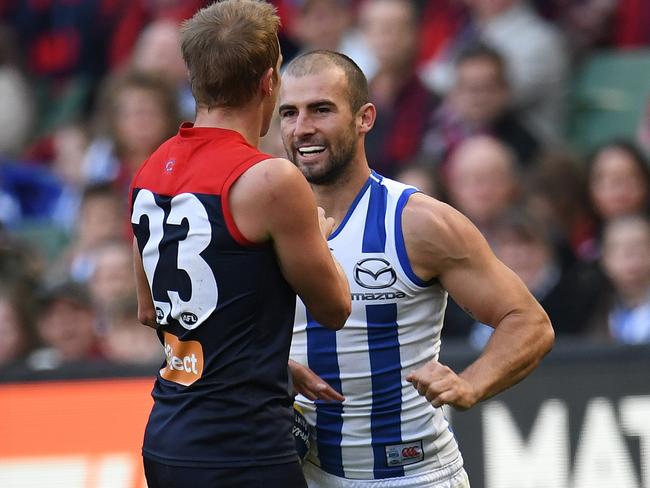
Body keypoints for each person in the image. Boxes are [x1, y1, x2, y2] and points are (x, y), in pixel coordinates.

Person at [279, 50, 554, 487]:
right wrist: (272, 365)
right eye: (289, 113)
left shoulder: (417, 221)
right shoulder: (262, 221)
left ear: (364, 118)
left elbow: (529, 322)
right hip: (306, 476)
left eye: (322, 109)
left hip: (413, 476)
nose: (302, 127)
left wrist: (470, 385)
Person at [129, 3, 351, 488]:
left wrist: (261, 359)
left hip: (167, 437)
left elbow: (151, 313)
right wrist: (319, 233)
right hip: (242, 446)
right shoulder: (270, 179)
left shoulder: (150, 169)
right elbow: (335, 309)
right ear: (270, 81)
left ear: (194, 80)